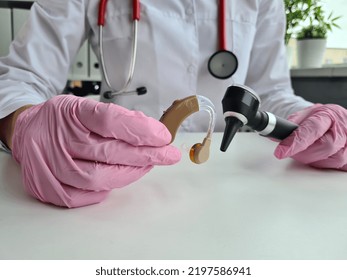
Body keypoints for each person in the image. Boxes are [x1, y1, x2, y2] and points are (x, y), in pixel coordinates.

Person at [0, 0, 347, 208]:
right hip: (118, 186)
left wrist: (312, 120)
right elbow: (21, 78)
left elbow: (270, 92)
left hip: (234, 189)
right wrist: (24, 123)